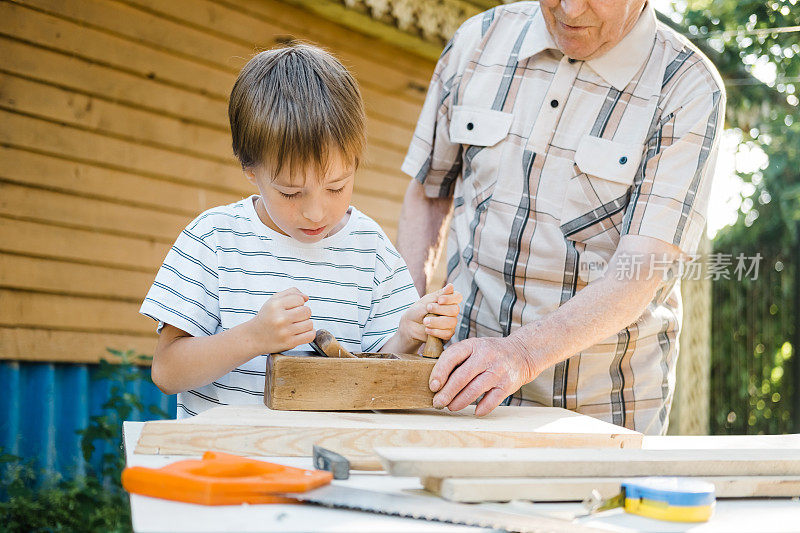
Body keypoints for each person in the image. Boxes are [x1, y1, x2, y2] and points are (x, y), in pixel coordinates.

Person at [397, 0, 725, 434]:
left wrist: (520, 354)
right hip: (459, 395)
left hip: (603, 419)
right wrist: (401, 330)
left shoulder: (688, 87)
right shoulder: (477, 41)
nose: (569, 9)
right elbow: (428, 194)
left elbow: (641, 272)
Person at [140, 44, 462, 417]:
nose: (315, 211)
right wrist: (253, 337)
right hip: (227, 465)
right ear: (250, 170)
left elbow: (376, 381)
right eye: (291, 192)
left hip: (330, 467)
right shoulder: (214, 239)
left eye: (336, 186)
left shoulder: (370, 250)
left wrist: (406, 336)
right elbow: (167, 371)